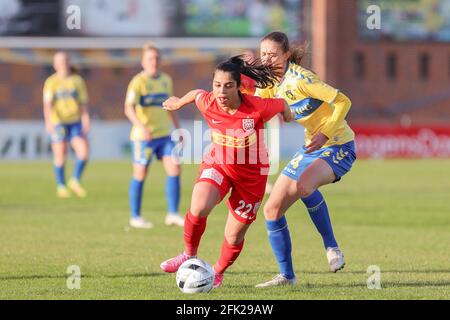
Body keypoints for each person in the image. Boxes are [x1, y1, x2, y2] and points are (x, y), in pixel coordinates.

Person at [160, 55, 293, 288]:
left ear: (239, 87)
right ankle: (188, 255)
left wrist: (288, 115)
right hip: (218, 164)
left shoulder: (256, 107)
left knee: (234, 236)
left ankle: (217, 272)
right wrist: (179, 102)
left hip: (251, 178)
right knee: (199, 207)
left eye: (228, 86)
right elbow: (196, 94)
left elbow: (281, 104)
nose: (221, 92)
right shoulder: (208, 101)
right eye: (217, 85)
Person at [255, 31, 357, 288]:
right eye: (263, 54)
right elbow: (261, 108)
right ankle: (287, 277)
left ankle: (332, 247)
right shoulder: (269, 85)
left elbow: (343, 101)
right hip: (311, 147)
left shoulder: (302, 79)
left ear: (286, 55)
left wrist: (325, 133)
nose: (267, 59)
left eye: (273, 54)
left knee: (304, 185)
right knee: (271, 210)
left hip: (337, 144)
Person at [124, 43, 184, 229]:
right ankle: (135, 217)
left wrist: (178, 129)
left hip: (164, 135)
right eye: (150, 58)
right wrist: (142, 127)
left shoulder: (166, 80)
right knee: (140, 173)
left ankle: (172, 214)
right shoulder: (138, 82)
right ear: (143, 61)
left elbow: (171, 107)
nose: (154, 61)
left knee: (174, 169)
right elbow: (128, 108)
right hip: (144, 137)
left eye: (157, 58)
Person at [43, 51, 90, 198]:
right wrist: (48, 122)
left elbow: (82, 103)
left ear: (69, 62)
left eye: (65, 60)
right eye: (60, 61)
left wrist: (86, 118)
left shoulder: (77, 81)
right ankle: (61, 185)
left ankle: (75, 180)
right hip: (59, 123)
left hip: (75, 122)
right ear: (55, 65)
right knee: (60, 154)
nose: (63, 63)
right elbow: (48, 105)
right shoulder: (51, 82)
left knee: (83, 152)